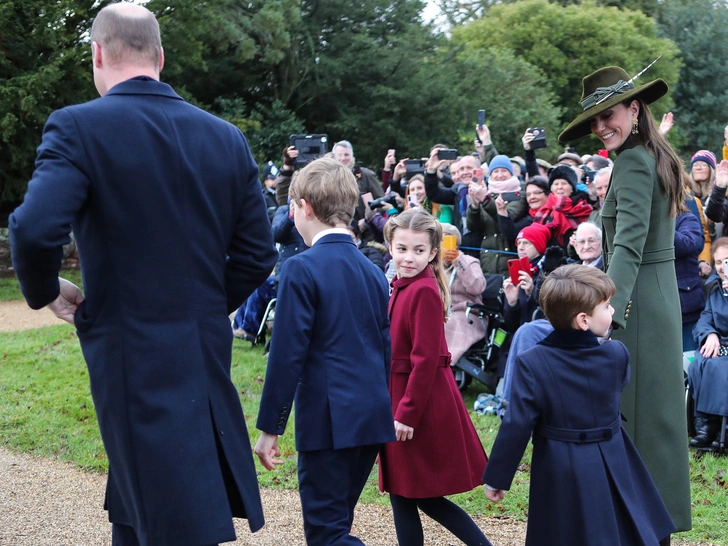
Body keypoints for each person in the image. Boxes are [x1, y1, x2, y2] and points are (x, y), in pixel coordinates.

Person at [8, 4, 278, 545]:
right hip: (200, 343)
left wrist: (43, 292)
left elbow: (35, 230)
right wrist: (199, 304)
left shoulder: (78, 126)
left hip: (129, 347)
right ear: (160, 57)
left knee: (176, 510)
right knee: (146, 493)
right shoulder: (225, 137)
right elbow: (255, 254)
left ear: (98, 54)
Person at [559, 65, 692, 537]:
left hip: (635, 307)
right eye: (594, 120)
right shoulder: (649, 153)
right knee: (652, 427)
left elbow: (628, 248)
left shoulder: (635, 161)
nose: (601, 127)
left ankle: (642, 528)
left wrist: (605, 314)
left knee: (638, 429)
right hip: (654, 301)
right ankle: (650, 526)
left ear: (635, 109)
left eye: (608, 114)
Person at [254, 157, 395, 545]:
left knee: (327, 535)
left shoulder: (302, 267)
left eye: (293, 207)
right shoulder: (372, 271)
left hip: (330, 420)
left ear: (305, 208)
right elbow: (384, 349)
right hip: (370, 416)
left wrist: (270, 427)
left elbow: (286, 354)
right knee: (337, 525)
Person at [483, 264, 675, 545]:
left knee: (566, 529)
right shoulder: (616, 354)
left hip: (560, 463)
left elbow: (517, 423)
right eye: (607, 306)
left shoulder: (532, 362)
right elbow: (619, 382)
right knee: (624, 521)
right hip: (613, 454)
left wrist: (498, 477)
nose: (612, 311)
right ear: (583, 320)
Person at [380, 208, 491, 546]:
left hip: (418, 403)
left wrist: (407, 413)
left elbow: (425, 359)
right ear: (390, 247)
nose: (408, 257)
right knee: (402, 491)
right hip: (401, 395)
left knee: (420, 494)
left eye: (418, 250)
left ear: (432, 253)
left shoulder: (424, 290)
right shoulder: (403, 285)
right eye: (401, 249)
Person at [688, 236, 728, 449]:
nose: (722, 268)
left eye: (727, 261)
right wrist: (710, 334)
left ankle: (713, 425)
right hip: (720, 343)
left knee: (717, 365)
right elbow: (704, 319)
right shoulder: (714, 288)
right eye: (718, 262)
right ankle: (704, 423)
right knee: (698, 362)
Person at [441, 223, 487, 365]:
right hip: (440, 312)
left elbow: (477, 288)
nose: (442, 245)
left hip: (467, 312)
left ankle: (444, 364)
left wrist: (458, 262)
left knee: (447, 324)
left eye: (446, 240)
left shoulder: (469, 261)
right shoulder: (433, 265)